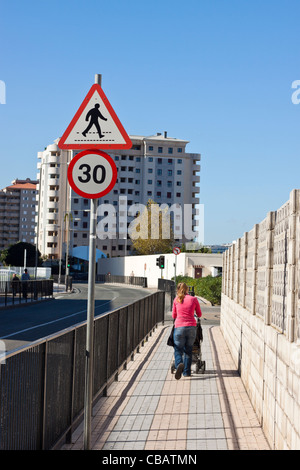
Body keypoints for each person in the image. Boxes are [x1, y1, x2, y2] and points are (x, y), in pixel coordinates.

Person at [172, 282, 202, 379]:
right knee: (188, 350)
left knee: (178, 350)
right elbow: (199, 314)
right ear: (187, 289)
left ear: (178, 289)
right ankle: (186, 372)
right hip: (191, 327)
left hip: (179, 327)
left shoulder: (176, 300)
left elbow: (174, 315)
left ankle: (179, 364)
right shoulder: (193, 299)